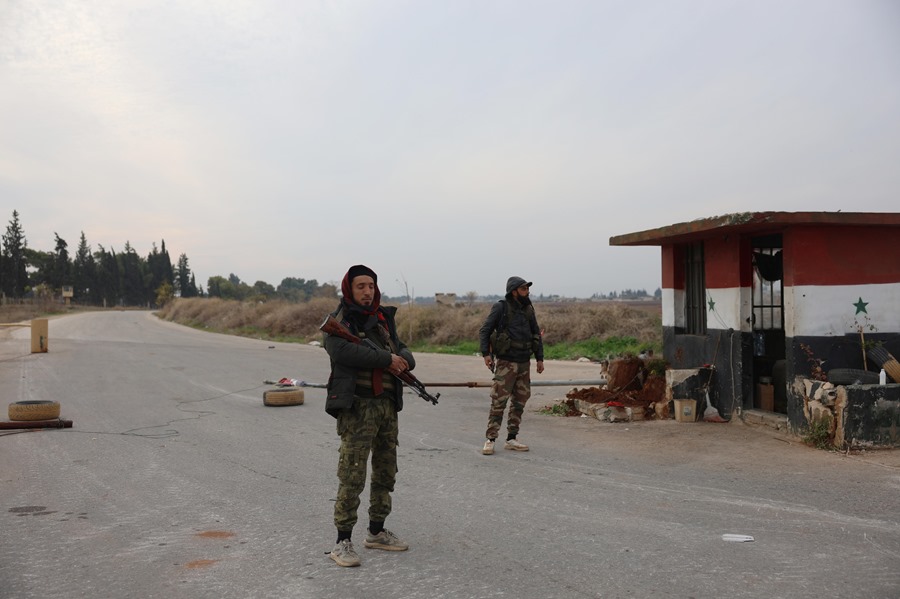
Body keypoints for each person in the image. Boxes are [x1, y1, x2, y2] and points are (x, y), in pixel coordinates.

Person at [323, 264, 415, 567]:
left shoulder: (382, 319)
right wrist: (387, 359)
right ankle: (342, 541)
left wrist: (403, 360)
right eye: (361, 286)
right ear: (350, 289)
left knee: (386, 471)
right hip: (358, 407)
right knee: (352, 473)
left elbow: (402, 350)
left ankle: (376, 531)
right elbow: (342, 352)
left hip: (387, 406)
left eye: (371, 286)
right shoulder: (341, 321)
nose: (367, 291)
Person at [478, 276, 544, 455]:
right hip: (506, 362)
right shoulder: (501, 307)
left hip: (524, 362)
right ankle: (490, 439)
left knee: (519, 401)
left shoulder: (528, 309)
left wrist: (540, 358)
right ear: (514, 291)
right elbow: (485, 330)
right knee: (499, 400)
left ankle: (511, 438)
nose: (527, 292)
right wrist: (486, 354)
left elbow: (536, 333)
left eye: (527, 289)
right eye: (523, 289)